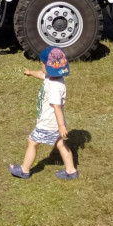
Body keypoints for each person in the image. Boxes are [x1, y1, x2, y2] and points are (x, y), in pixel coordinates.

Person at [9, 46, 78, 180]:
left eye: (41, 64)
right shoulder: (55, 78)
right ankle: (71, 171)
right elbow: (42, 75)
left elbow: (57, 107)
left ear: (47, 66)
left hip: (48, 123)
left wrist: (61, 125)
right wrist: (30, 72)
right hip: (54, 123)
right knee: (60, 144)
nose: (40, 66)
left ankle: (24, 169)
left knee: (32, 141)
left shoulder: (54, 87)